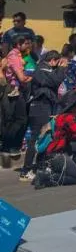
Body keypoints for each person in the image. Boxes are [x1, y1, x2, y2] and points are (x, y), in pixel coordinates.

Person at [20, 51, 68, 181]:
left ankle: (38, 167)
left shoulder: (46, 70)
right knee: (35, 139)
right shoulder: (41, 69)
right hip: (39, 108)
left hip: (45, 107)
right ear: (52, 60)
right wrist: (62, 69)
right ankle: (25, 170)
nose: (57, 66)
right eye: (57, 63)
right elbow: (55, 81)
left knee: (45, 138)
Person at [35, 90, 76, 188]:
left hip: (51, 153)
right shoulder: (68, 118)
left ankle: (69, 169)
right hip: (56, 155)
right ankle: (46, 177)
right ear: (74, 108)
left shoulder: (62, 116)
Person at [1, 36, 32, 166]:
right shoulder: (13, 56)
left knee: (16, 119)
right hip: (13, 90)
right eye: (26, 43)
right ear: (18, 44)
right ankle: (9, 144)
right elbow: (21, 77)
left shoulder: (18, 55)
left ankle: (9, 146)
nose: (29, 45)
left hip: (15, 90)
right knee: (20, 120)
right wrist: (33, 77)